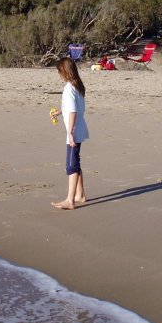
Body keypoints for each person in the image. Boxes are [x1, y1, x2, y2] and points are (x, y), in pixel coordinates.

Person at [51, 57, 89, 210]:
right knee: (76, 161)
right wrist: (59, 112)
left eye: (59, 71)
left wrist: (70, 132)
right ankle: (80, 194)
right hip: (80, 128)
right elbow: (70, 107)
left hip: (74, 131)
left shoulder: (69, 88)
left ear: (64, 72)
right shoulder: (77, 86)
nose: (58, 74)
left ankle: (70, 200)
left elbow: (73, 111)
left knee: (71, 165)